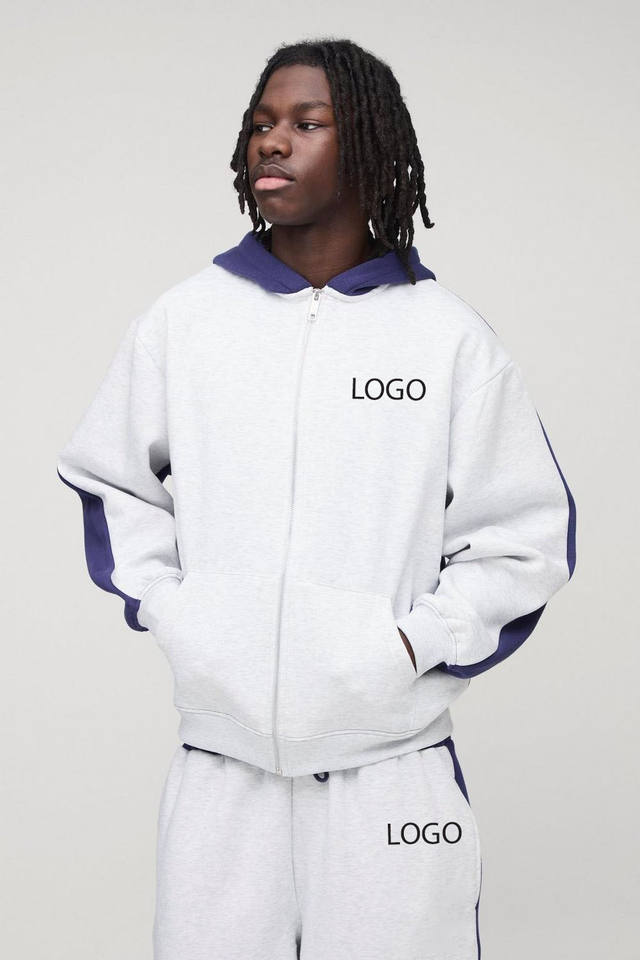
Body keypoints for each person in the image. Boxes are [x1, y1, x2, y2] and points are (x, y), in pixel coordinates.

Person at [56, 37, 577, 960]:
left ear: (368, 146)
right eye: (262, 123)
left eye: (307, 123)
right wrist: (178, 611)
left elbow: (524, 539)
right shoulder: (187, 321)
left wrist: (410, 645)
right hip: (222, 769)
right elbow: (112, 479)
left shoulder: (447, 340)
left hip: (391, 774)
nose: (272, 142)